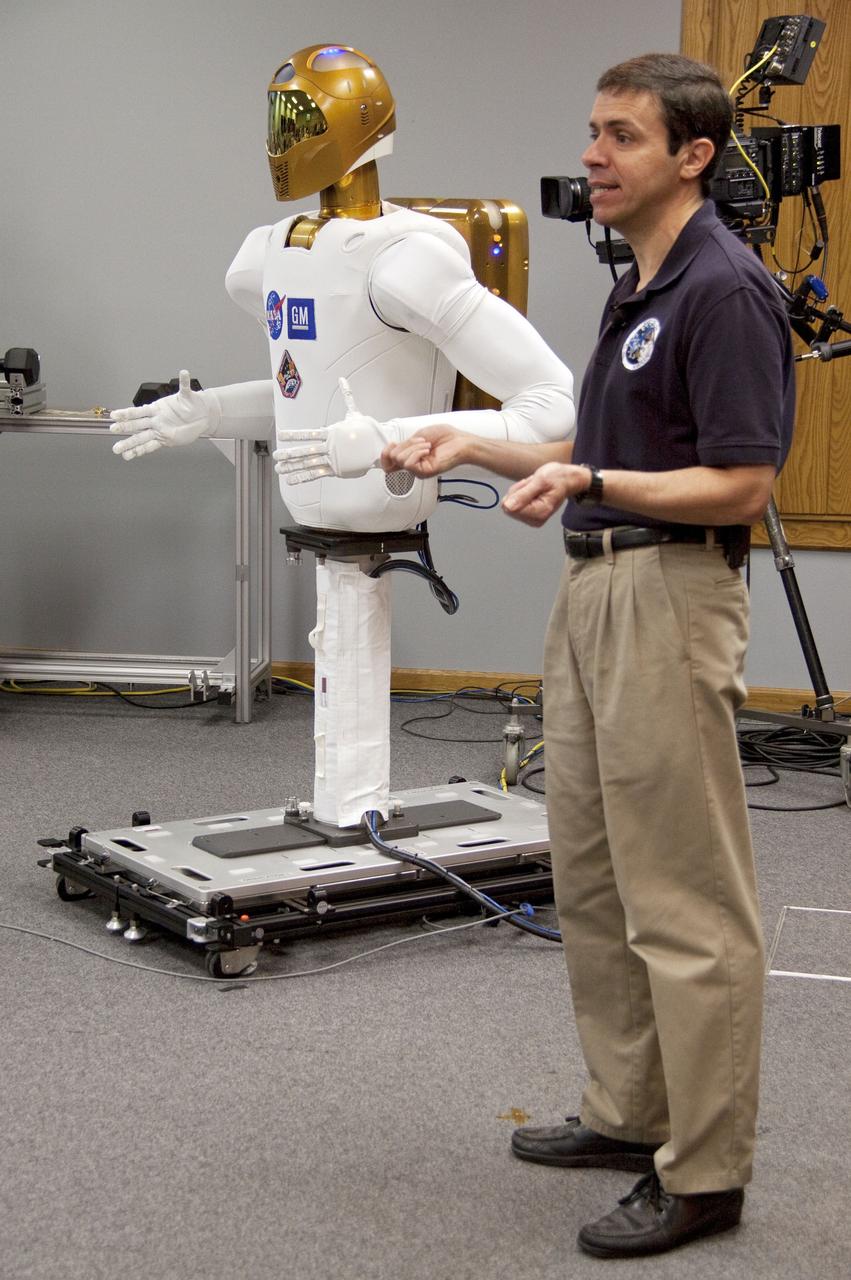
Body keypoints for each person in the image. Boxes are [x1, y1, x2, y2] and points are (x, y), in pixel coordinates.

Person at [381, 53, 795, 1258]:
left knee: (688, 898)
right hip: (597, 591)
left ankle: (706, 1169)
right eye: (593, 132)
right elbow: (581, 450)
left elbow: (742, 477)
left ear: (691, 156)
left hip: (667, 601)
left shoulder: (723, 289)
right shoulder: (642, 279)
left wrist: (594, 477)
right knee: (600, 876)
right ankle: (630, 1111)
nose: (594, 157)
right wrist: (463, 442)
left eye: (619, 137)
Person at [109, 44, 575, 828]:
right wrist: (211, 413)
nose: (282, 138)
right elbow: (304, 398)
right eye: (276, 118)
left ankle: (358, 820)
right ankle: (341, 817)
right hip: (321, 508)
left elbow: (550, 402)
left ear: (355, 125)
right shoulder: (268, 253)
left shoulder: (405, 261)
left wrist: (394, 436)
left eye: (300, 118)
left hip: (378, 505)